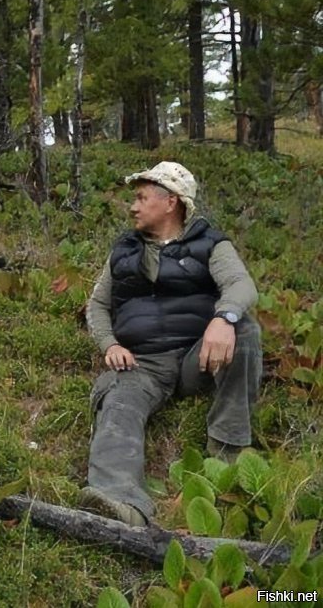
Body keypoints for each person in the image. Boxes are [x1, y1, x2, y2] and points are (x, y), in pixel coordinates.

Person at [78, 161, 262, 526]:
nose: (133, 206)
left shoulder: (210, 242)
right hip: (141, 363)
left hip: (199, 357)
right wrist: (110, 345)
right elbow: (97, 304)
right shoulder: (123, 250)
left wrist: (223, 319)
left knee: (245, 330)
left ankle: (228, 453)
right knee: (118, 401)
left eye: (142, 198)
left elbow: (242, 286)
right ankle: (120, 501)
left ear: (171, 202)